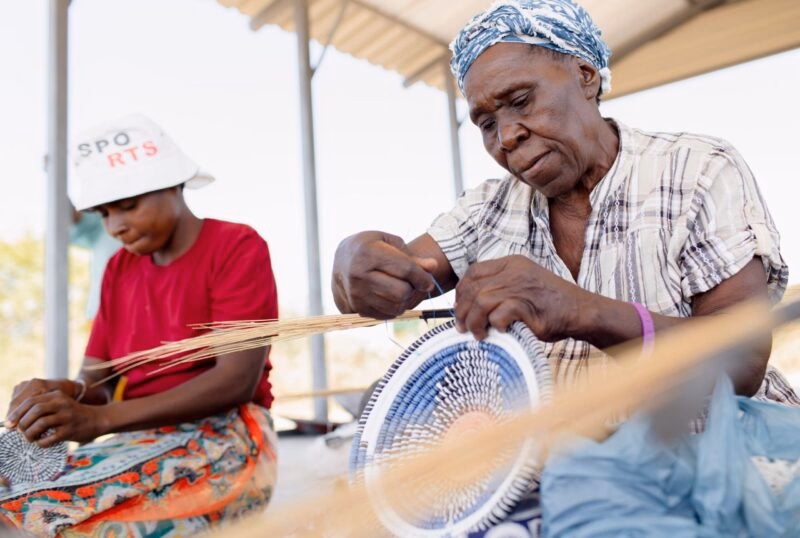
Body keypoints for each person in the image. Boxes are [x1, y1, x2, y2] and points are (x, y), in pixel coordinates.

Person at [332, 0, 798, 412]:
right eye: (487, 124)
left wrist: (578, 310)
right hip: (573, 468)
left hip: (718, 456)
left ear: (585, 76)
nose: (506, 136)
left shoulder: (695, 172)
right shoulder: (487, 211)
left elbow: (742, 361)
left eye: (521, 101)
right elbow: (403, 271)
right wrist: (355, 266)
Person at [1, 114, 279, 536]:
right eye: (104, 213)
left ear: (174, 184)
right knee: (14, 498)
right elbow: (96, 383)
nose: (115, 226)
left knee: (54, 516)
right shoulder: (118, 270)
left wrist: (100, 420)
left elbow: (236, 381)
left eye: (128, 205)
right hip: (139, 435)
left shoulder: (235, 247)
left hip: (232, 438)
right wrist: (62, 395)